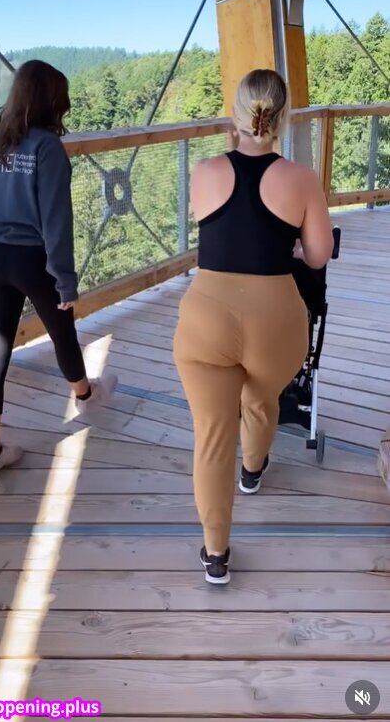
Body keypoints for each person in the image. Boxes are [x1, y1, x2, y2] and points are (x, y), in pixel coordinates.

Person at [173, 69, 333, 585]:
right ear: (283, 119)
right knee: (261, 399)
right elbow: (318, 255)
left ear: (236, 116)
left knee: (211, 435)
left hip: (205, 319)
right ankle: (253, 470)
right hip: (276, 322)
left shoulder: (203, 171)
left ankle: (215, 553)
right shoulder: (301, 179)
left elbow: (221, 228)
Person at [0, 59, 117, 481]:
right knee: (62, 332)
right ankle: (85, 395)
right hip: (33, 260)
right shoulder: (47, 148)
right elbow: (56, 221)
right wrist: (65, 281)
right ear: (51, 101)